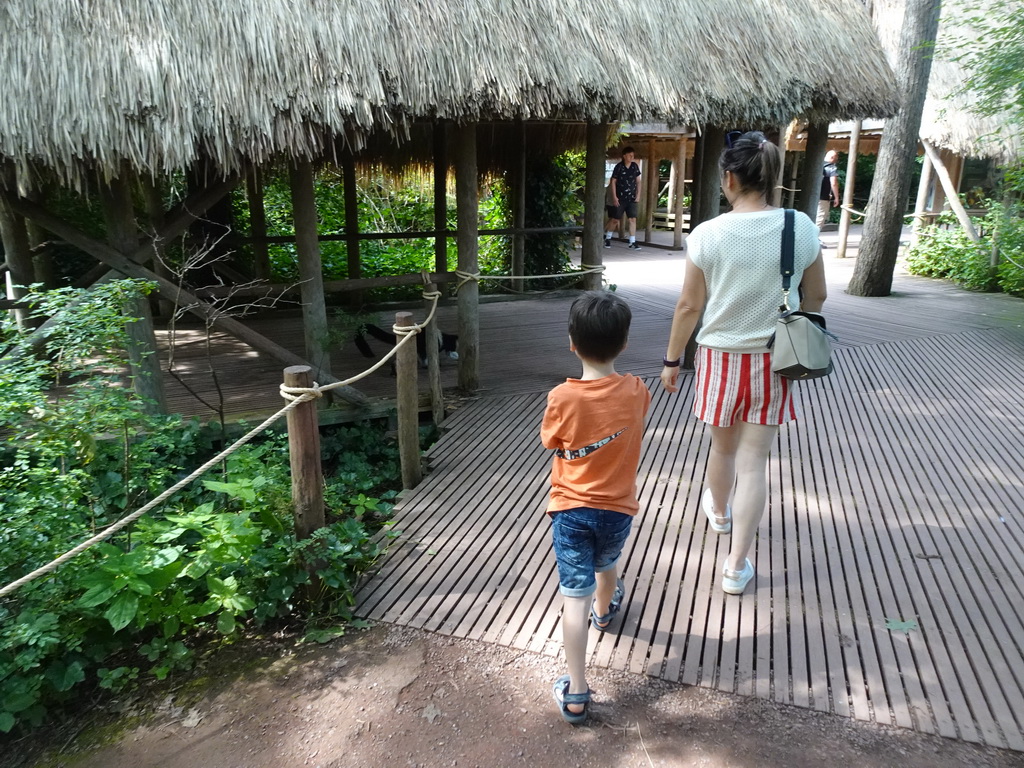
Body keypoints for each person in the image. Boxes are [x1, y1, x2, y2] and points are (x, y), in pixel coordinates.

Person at [660, 131, 826, 596]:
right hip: (774, 360)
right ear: (771, 176)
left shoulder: (708, 234)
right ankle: (736, 566)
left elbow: (689, 307)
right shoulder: (800, 227)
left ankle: (719, 511)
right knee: (755, 461)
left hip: (718, 359)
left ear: (728, 178)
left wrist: (672, 360)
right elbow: (817, 296)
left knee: (723, 450)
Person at [541, 291, 651, 724]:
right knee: (608, 562)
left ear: (571, 341)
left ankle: (577, 691)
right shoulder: (637, 389)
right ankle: (605, 614)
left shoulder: (562, 397)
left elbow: (551, 441)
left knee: (573, 595)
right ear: (624, 344)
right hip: (619, 507)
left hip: (570, 508)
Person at [605, 147, 642, 250]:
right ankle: (608, 238)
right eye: (630, 155)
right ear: (624, 156)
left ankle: (632, 241)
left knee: (632, 219)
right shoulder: (619, 167)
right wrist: (614, 197)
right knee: (615, 219)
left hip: (632, 198)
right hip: (620, 197)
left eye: (633, 155)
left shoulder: (635, 166)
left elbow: (638, 181)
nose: (632, 157)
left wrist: (638, 195)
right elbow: (613, 182)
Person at [817, 149, 840, 228]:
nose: (836, 161)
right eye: (836, 159)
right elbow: (833, 182)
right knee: (820, 217)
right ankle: (813, 237)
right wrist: (836, 197)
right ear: (833, 158)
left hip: (812, 195)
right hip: (823, 196)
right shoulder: (832, 168)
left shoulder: (816, 165)